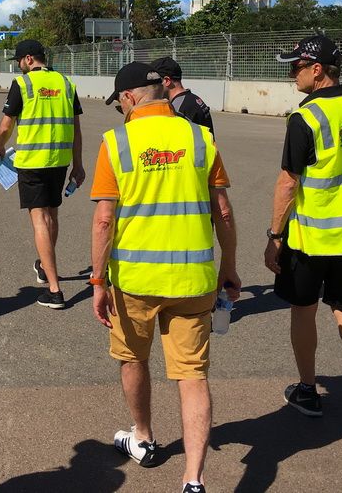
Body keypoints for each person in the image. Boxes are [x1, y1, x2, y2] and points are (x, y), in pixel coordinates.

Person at [89, 62, 240, 493]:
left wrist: (98, 282)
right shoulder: (200, 137)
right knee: (192, 375)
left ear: (131, 98)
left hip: (134, 281)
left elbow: (104, 220)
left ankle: (143, 436)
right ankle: (193, 477)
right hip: (193, 280)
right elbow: (223, 211)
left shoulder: (116, 142)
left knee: (133, 359)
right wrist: (228, 267)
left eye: (119, 101)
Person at [264, 34, 342, 438]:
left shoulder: (307, 117)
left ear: (317, 70)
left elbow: (288, 182)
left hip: (311, 238)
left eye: (295, 66)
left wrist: (274, 235)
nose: (291, 74)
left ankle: (307, 390)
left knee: (304, 310)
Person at [0, 39, 85, 309]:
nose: (19, 67)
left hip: (32, 160)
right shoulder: (66, 83)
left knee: (39, 219)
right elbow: (76, 128)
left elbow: (6, 124)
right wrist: (77, 164)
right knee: (52, 214)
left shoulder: (23, 84)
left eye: (19, 61)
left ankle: (55, 290)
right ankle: (45, 268)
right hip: (59, 160)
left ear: (29, 59)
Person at [150, 56, 214, 134]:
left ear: (167, 81)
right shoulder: (193, 98)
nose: (152, 87)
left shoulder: (177, 109)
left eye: (154, 83)